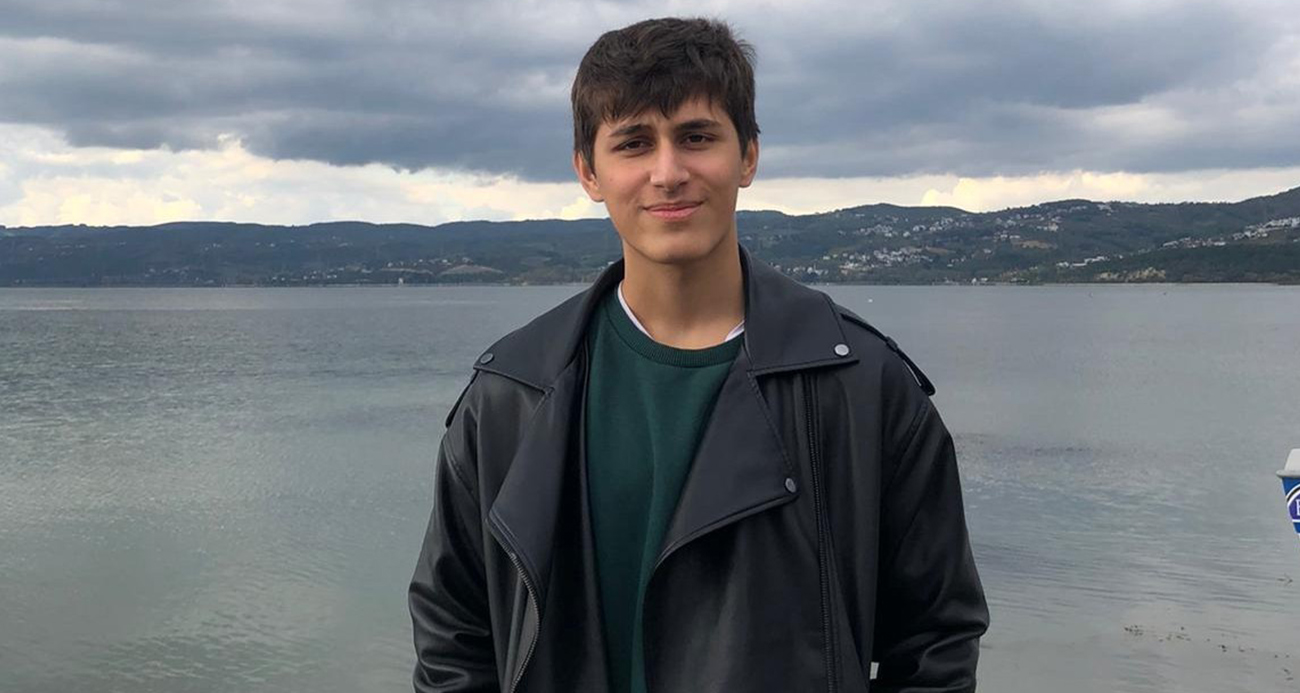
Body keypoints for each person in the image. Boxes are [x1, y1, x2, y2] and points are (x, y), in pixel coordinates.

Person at [409, 16, 988, 693]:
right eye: (633, 143)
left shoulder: (863, 384)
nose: (668, 173)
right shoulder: (512, 393)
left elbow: (936, 639)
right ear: (589, 172)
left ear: (748, 156)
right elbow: (453, 635)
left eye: (696, 137)